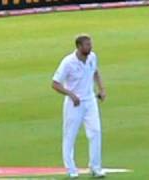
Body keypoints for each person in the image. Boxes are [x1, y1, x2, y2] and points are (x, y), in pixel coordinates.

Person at [52, 34, 107, 178]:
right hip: (74, 104)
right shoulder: (68, 62)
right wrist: (70, 94)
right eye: (87, 45)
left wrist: (101, 89)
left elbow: (96, 72)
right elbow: (55, 84)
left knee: (95, 132)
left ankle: (95, 167)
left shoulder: (92, 57)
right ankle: (71, 169)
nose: (90, 47)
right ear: (79, 46)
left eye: (90, 44)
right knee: (70, 135)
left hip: (90, 101)